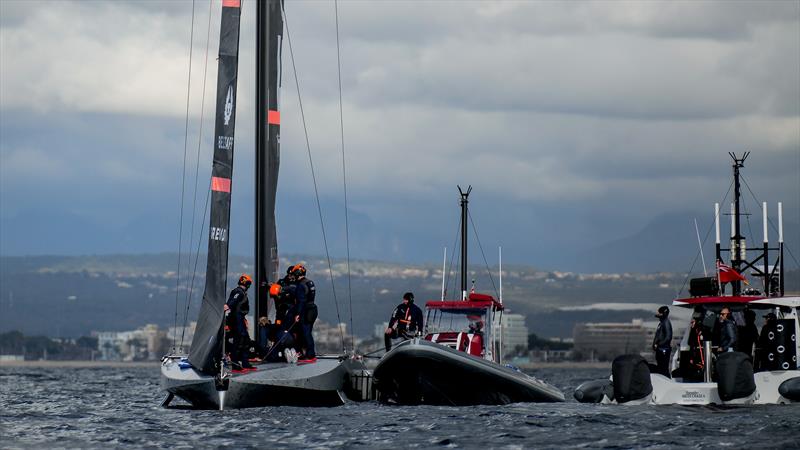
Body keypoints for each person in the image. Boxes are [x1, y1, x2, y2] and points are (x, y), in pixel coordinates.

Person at [224, 274, 255, 371]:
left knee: (246, 340)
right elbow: (232, 302)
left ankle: (245, 363)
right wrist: (228, 306)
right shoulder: (239, 292)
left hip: (239, 319)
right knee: (239, 341)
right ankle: (235, 364)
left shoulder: (239, 291)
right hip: (237, 320)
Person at [291, 264, 317, 362]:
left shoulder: (300, 285)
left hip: (305, 311)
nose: (293, 276)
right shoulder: (310, 282)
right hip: (313, 309)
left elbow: (300, 301)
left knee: (305, 333)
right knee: (307, 332)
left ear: (297, 274)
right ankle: (306, 353)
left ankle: (310, 355)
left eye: (294, 274)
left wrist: (297, 314)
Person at [652, 306, 672, 377]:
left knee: (663, 369)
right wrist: (654, 344)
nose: (658, 314)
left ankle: (667, 381)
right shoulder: (662, 323)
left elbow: (668, 337)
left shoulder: (666, 322)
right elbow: (658, 335)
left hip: (664, 349)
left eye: (659, 312)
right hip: (660, 349)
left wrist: (659, 344)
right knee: (660, 368)